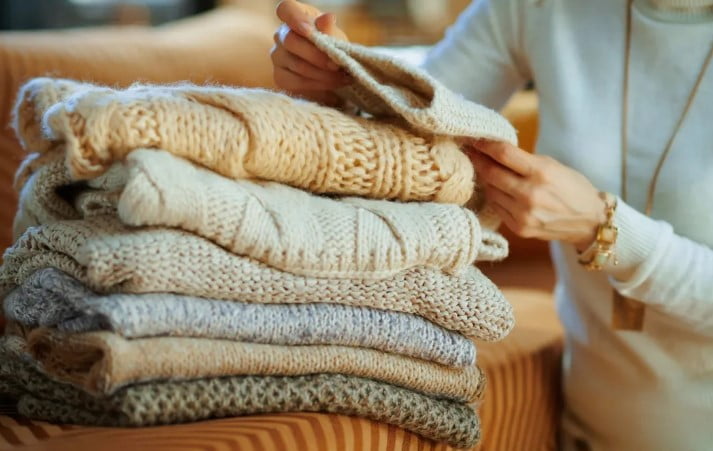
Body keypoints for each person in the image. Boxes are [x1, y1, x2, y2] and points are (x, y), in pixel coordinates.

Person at [269, 0, 713, 450]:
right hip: (587, 432)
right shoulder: (537, 8)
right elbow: (416, 127)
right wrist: (335, 86)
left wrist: (603, 228)